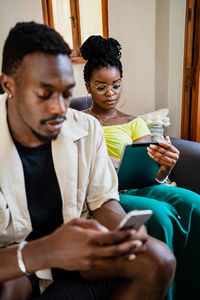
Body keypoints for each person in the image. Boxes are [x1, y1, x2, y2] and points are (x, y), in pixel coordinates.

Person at [0, 22, 175, 300]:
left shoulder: (86, 127)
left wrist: (123, 232)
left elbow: (104, 201)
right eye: (44, 92)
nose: (60, 108)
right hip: (19, 260)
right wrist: (47, 250)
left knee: (157, 258)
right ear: (8, 83)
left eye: (66, 92)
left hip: (79, 252)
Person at [81, 35, 200, 300]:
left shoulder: (134, 122)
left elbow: (148, 172)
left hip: (140, 185)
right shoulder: (78, 121)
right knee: (158, 215)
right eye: (101, 87)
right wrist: (106, 162)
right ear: (88, 86)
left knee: (195, 202)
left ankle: (193, 291)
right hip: (108, 193)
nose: (110, 93)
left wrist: (165, 165)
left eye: (116, 85)